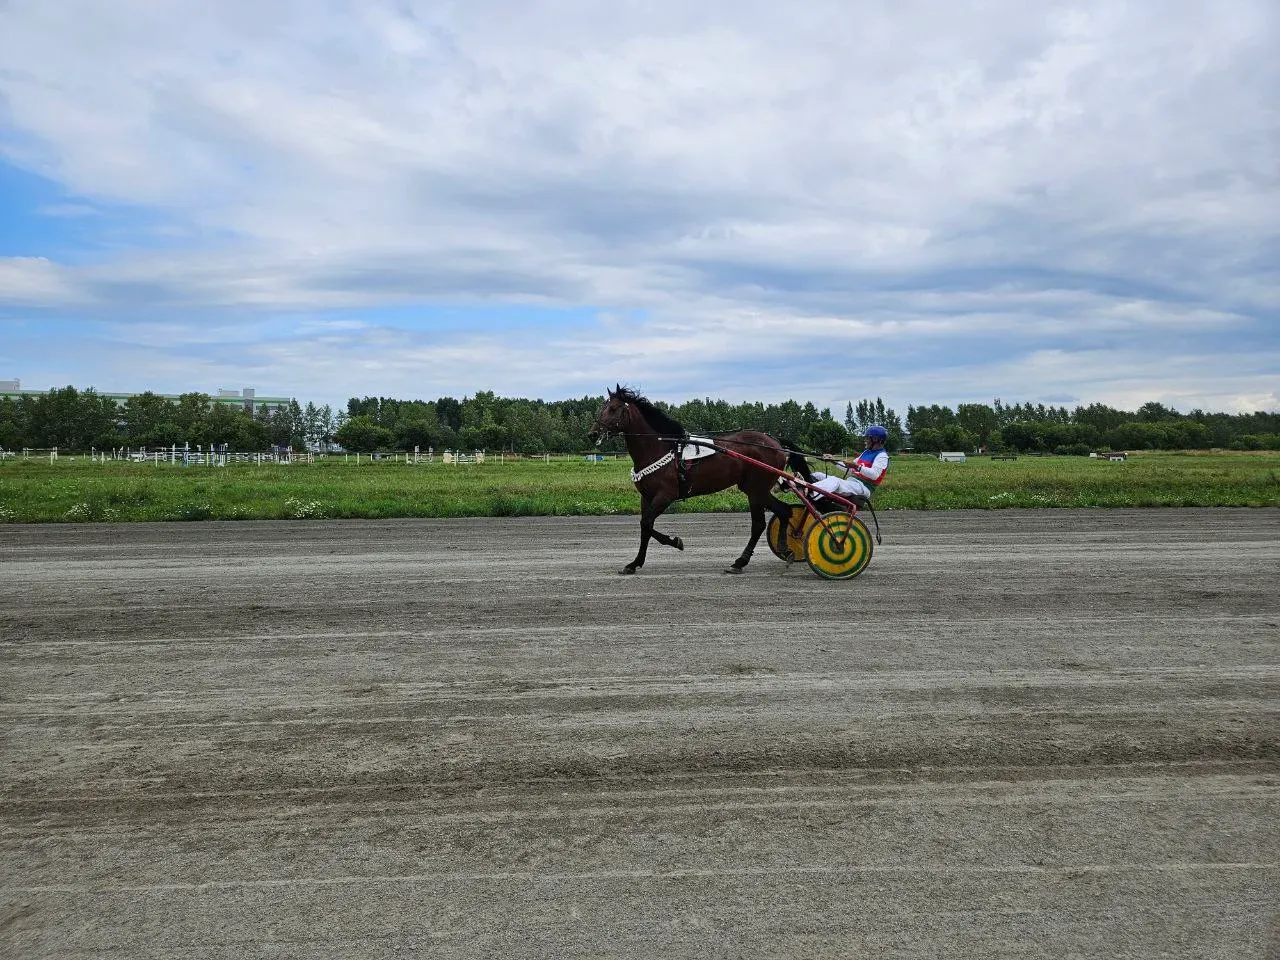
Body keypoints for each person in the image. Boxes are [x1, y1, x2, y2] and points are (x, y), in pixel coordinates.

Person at [807, 424, 890, 501]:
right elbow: (849, 468)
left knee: (835, 481)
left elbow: (874, 475)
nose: (865, 440)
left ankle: (808, 492)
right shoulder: (866, 452)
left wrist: (857, 466)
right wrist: (833, 460)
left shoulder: (882, 456)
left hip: (863, 488)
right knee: (817, 475)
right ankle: (804, 487)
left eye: (867, 438)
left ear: (875, 439)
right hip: (852, 483)